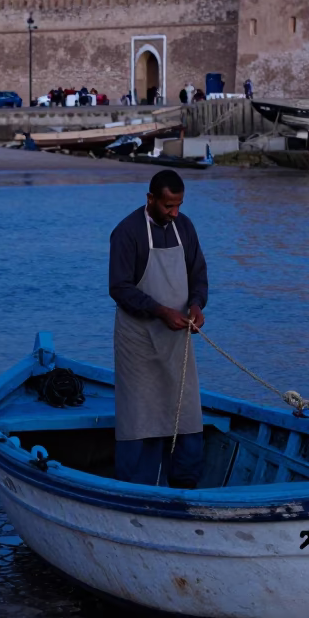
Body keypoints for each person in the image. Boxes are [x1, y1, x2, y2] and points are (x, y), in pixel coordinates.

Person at [109, 169, 207, 488]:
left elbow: (198, 275)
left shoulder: (186, 227)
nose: (174, 213)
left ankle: (185, 489)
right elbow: (119, 288)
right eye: (168, 206)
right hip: (137, 342)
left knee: (187, 417)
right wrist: (160, 310)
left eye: (178, 205)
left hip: (177, 342)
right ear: (150, 199)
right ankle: (135, 491)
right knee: (140, 422)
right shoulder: (126, 232)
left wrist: (196, 305)